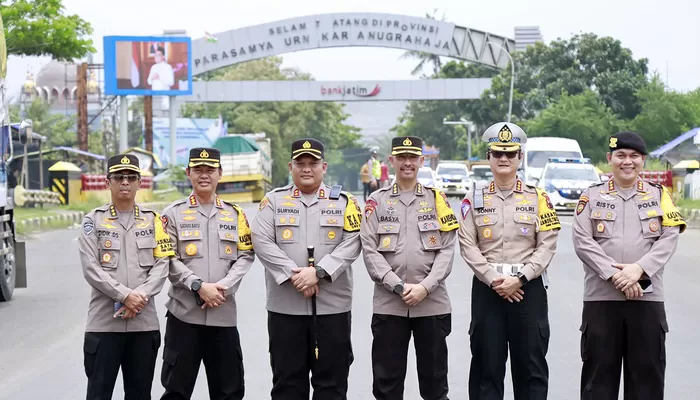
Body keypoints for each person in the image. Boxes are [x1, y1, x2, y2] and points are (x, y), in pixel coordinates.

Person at [573, 131, 686, 400]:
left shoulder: (660, 196)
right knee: (598, 382)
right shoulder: (590, 196)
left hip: (647, 299)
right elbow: (582, 240)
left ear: (643, 160)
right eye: (621, 156)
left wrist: (639, 270)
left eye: (634, 156)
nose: (627, 162)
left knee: (647, 381)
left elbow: (669, 237)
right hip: (602, 300)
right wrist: (615, 275)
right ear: (609, 159)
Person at [250, 138, 362, 400]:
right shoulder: (274, 201)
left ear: (324, 166)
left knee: (332, 385)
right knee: (288, 384)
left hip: (332, 308)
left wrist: (319, 272)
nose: (307, 168)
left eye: (313, 163)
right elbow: (261, 240)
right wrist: (297, 275)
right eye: (300, 163)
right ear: (291, 166)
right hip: (285, 309)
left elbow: (354, 239)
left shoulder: (345, 202)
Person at [458, 122, 560, 400]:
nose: (504, 159)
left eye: (510, 153)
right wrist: (494, 279)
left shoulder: (539, 198)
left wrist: (521, 278)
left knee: (531, 370)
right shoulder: (472, 199)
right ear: (488, 157)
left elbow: (547, 244)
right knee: (486, 369)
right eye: (497, 153)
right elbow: (467, 244)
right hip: (488, 291)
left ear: (520, 158)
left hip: (528, 290)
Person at [360, 135, 459, 400]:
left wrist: (425, 288)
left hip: (432, 304)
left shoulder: (438, 200)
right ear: (391, 161)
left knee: (435, 385)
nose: (407, 163)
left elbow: (448, 249)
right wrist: (398, 285)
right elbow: (369, 249)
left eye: (412, 158)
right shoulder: (377, 201)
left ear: (421, 161)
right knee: (386, 385)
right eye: (401, 158)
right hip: (389, 304)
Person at [159, 147, 255, 400]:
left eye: (210, 170)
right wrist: (197, 285)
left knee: (229, 392)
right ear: (188, 173)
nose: (204, 175)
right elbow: (167, 257)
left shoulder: (236, 215)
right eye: (198, 170)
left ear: (220, 174)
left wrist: (223, 286)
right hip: (183, 316)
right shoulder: (172, 214)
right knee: (176, 392)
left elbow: (246, 255)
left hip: (223, 316)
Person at [79, 154, 174, 400]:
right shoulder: (93, 221)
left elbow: (163, 263)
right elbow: (91, 268)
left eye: (131, 177)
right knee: (99, 394)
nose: (125, 182)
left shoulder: (154, 221)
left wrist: (139, 297)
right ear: (107, 182)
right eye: (119, 177)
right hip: (104, 325)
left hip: (143, 325)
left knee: (140, 394)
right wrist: (125, 295)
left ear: (139, 182)